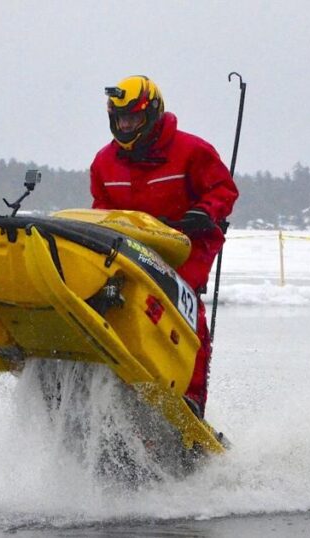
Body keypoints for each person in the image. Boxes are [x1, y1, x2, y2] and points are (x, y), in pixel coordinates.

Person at [89, 75, 239, 417]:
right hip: (130, 248)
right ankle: (111, 378)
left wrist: (204, 211)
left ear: (152, 114)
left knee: (186, 315)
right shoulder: (103, 162)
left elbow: (224, 190)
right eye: (120, 119)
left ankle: (191, 399)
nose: (126, 125)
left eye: (133, 118)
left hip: (185, 246)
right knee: (108, 300)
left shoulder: (192, 150)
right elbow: (101, 209)